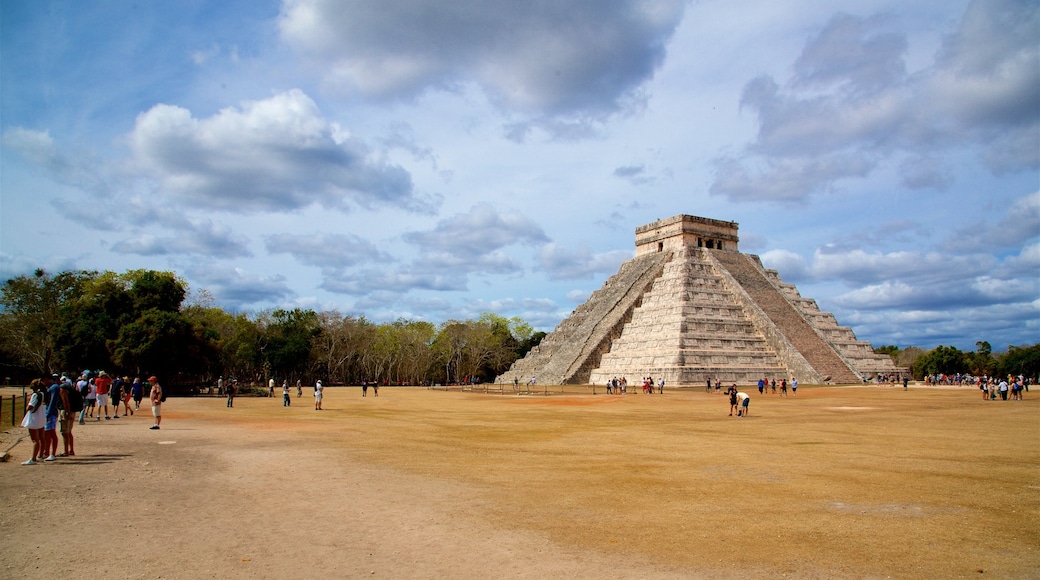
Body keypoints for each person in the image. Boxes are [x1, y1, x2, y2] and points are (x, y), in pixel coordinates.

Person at [20, 379, 47, 465]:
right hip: (41, 417)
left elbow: (30, 406)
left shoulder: (35, 395)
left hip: (34, 418)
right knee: (42, 438)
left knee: (35, 440)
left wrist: (27, 406)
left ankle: (33, 458)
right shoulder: (43, 394)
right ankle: (40, 455)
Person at [43, 375, 61, 461]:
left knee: (51, 433)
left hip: (51, 413)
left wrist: (48, 413)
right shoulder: (50, 387)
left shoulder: (55, 387)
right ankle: (46, 451)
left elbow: (53, 401)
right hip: (47, 411)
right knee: (46, 433)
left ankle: (53, 453)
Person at [57, 377, 77, 457]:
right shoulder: (70, 389)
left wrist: (67, 412)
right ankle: (71, 450)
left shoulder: (62, 389)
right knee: (69, 432)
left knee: (64, 432)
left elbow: (65, 401)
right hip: (72, 411)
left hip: (65, 411)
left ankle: (66, 451)